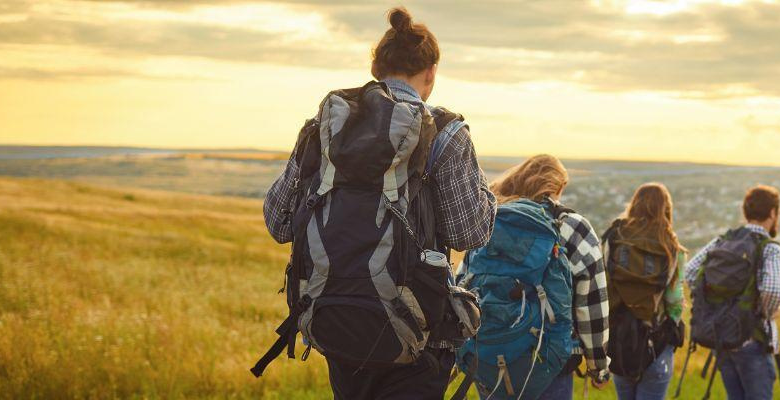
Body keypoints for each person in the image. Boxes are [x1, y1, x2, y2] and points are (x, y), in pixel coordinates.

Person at [257, 6, 496, 400]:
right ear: (431, 72)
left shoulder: (326, 128)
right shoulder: (446, 134)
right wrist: (488, 196)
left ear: (376, 68)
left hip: (334, 319)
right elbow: (470, 231)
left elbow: (277, 222)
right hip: (417, 331)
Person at [462, 154, 611, 399]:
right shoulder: (572, 226)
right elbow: (592, 304)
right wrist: (598, 367)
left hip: (489, 358)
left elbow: (464, 287)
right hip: (548, 360)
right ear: (557, 188)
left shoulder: (490, 221)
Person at [683, 185, 780, 400]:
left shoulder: (723, 241)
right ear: (773, 213)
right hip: (753, 341)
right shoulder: (771, 249)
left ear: (745, 212)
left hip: (722, 339)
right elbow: (773, 291)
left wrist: (718, 305)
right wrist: (765, 313)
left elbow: (691, 272)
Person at [603, 183, 687, 400]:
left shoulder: (614, 238)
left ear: (635, 204)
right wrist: (674, 323)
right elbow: (674, 299)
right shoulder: (671, 246)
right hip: (655, 341)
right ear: (666, 209)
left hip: (619, 340)